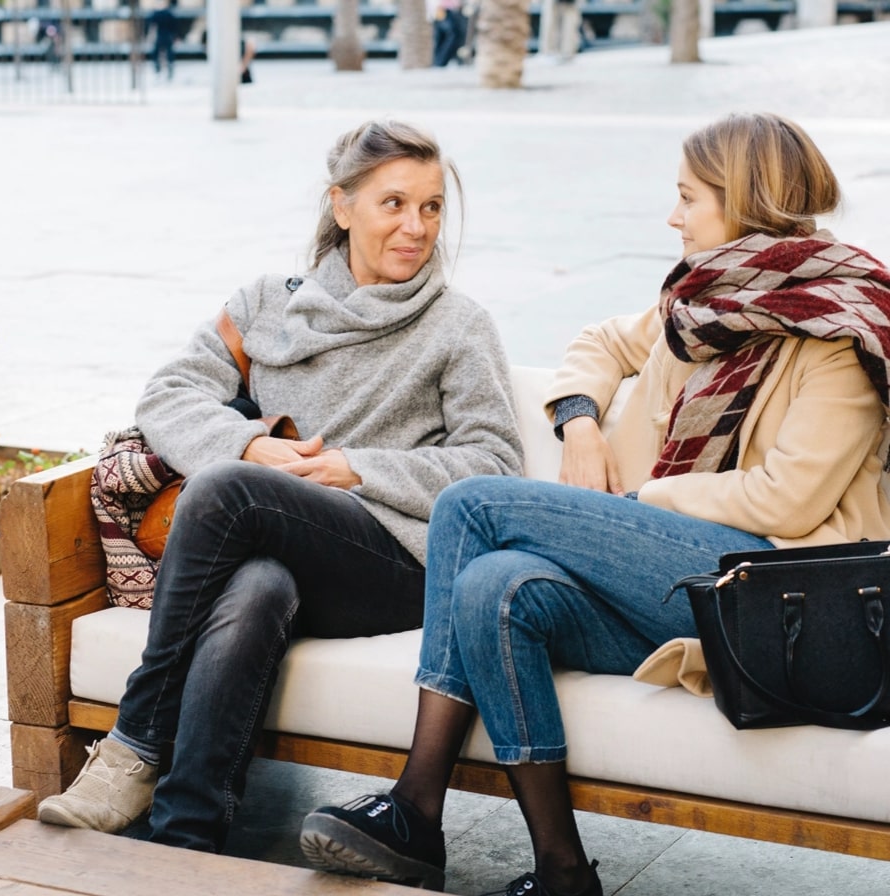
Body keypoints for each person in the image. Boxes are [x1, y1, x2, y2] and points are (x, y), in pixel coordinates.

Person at [299, 112, 890, 896]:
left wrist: (642, 498)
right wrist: (579, 425)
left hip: (772, 597)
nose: (673, 216)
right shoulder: (704, 305)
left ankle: (416, 804)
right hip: (684, 584)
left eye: (688, 198)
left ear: (744, 202)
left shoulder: (838, 333)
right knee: (495, 589)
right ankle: (563, 871)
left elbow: (788, 497)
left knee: (472, 506)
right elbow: (600, 344)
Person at [36, 119, 524, 853]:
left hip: (395, 561)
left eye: (431, 208)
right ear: (342, 205)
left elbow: (495, 466)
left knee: (229, 491)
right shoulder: (267, 304)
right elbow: (169, 393)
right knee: (257, 584)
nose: (417, 227)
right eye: (394, 203)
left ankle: (134, 743)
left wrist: (355, 467)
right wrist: (250, 443)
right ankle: (186, 838)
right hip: (286, 550)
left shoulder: (458, 325)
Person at [146, 0, 178, 80]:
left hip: (161, 36)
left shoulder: (156, 14)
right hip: (166, 36)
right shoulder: (168, 14)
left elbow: (151, 26)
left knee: (157, 53)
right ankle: (168, 70)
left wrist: (149, 36)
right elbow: (174, 26)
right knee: (168, 53)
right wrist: (175, 36)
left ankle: (158, 70)